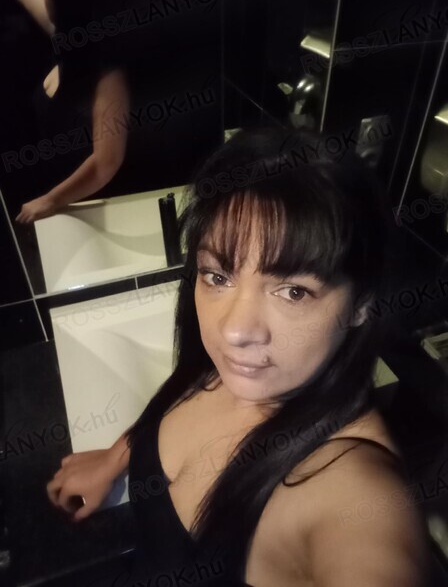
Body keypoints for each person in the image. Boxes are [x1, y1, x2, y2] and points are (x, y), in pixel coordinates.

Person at [47, 126, 431, 586]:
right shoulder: (235, 367)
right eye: (218, 276)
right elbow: (178, 396)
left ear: (361, 304)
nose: (233, 330)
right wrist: (115, 458)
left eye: (293, 291)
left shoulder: (350, 492)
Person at [11, 0, 129, 223]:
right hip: (63, 211)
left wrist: (50, 200)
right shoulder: (67, 38)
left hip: (100, 211)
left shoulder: (108, 68)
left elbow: (106, 162)